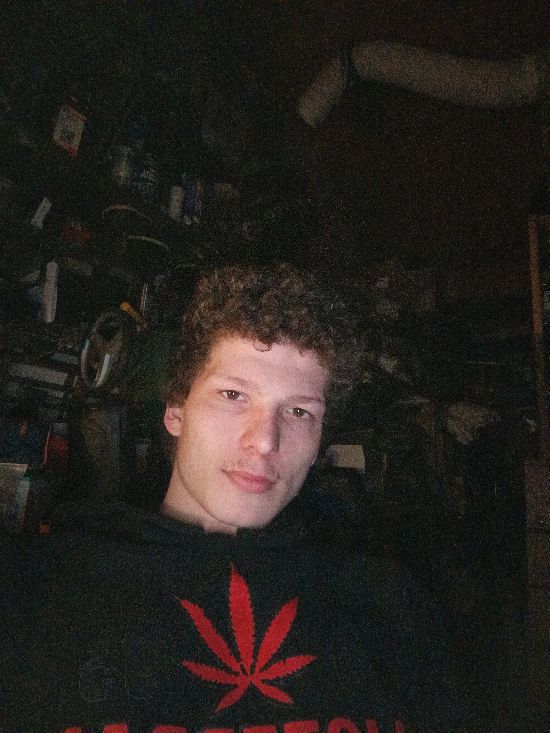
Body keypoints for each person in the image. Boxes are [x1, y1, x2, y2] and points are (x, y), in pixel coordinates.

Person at [0, 262, 486, 732]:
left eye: (299, 411)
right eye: (233, 395)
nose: (265, 440)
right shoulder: (34, 592)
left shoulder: (388, 603)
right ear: (176, 410)